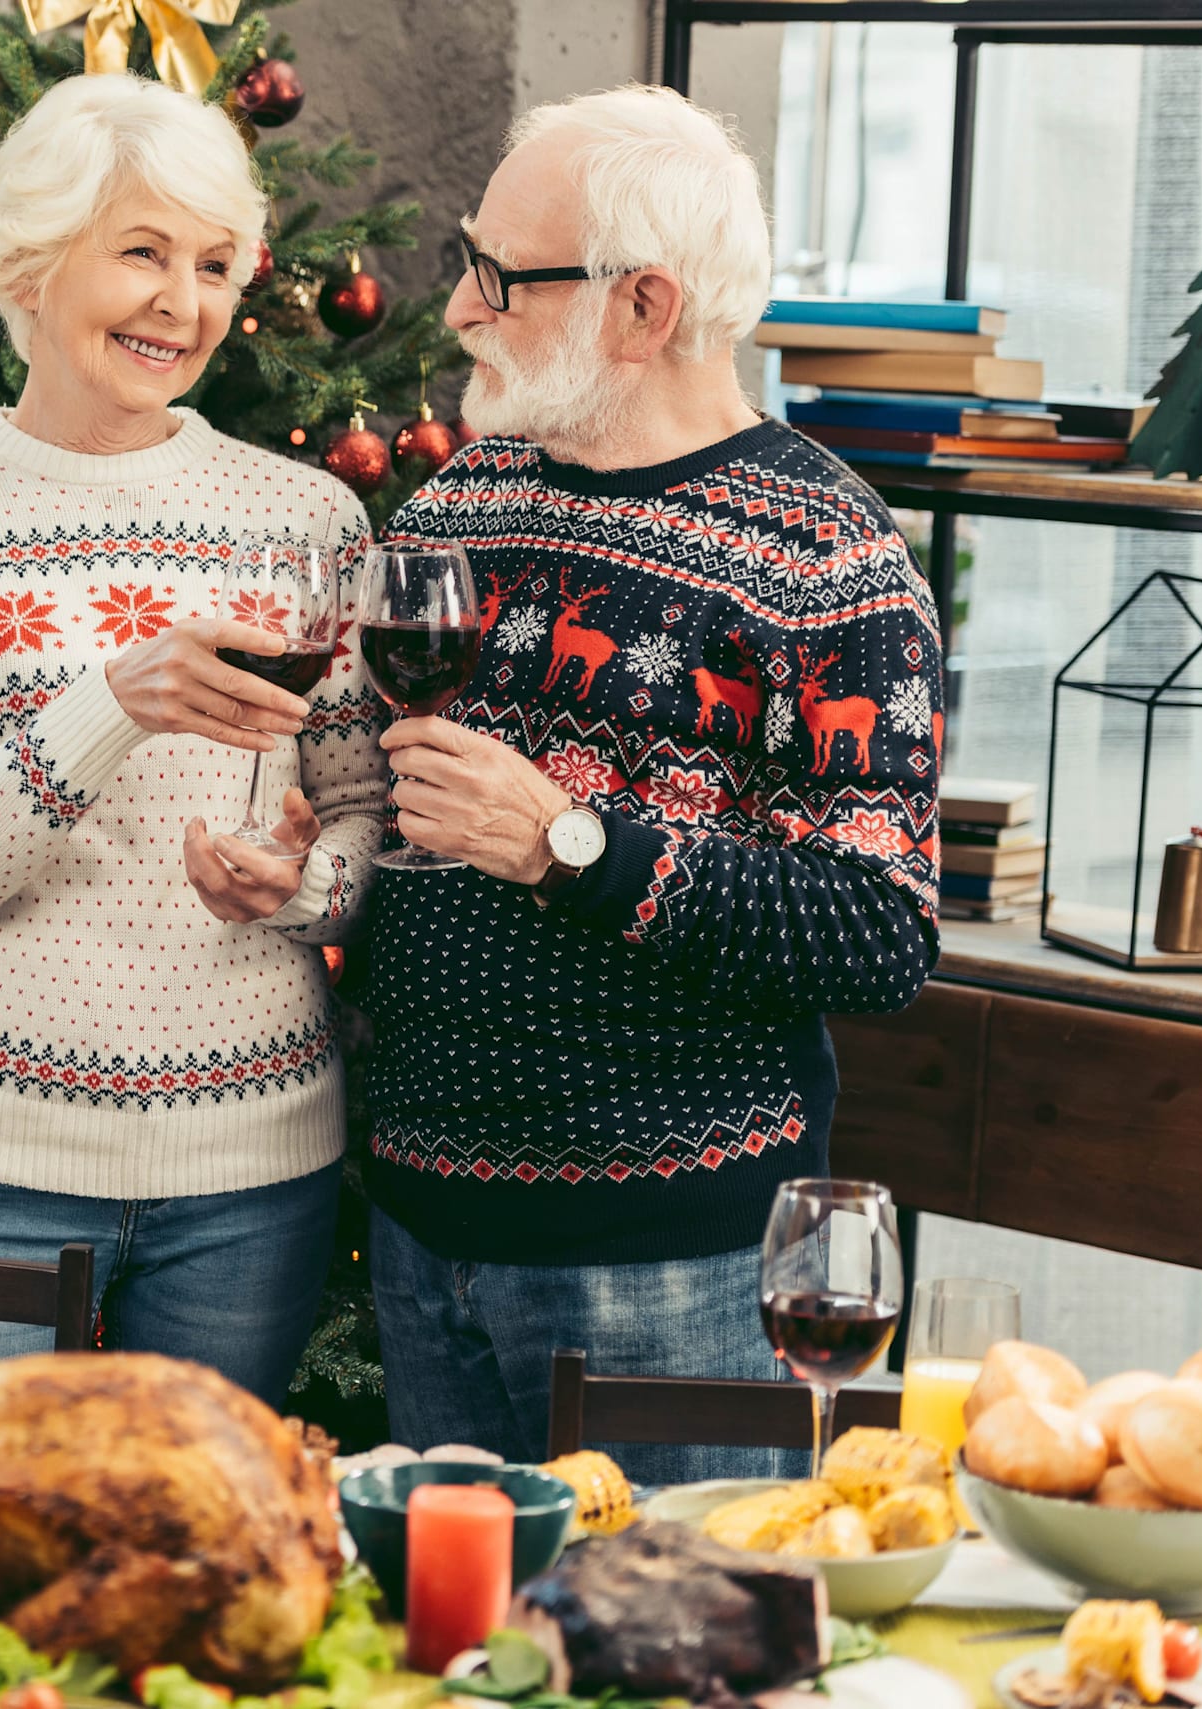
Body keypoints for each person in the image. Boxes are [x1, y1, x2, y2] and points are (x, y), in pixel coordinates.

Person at [363, 86, 943, 1481]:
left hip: (663, 1278)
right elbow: (373, 792)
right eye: (468, 261)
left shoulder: (830, 566)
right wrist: (299, 862)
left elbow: (879, 934)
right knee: (447, 1676)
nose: (458, 312)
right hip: (417, 1233)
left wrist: (570, 842)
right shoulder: (459, 503)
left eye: (502, 278)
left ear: (644, 307)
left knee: (674, 1673)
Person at [0, 73, 388, 1401]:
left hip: (254, 1175)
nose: (182, 305)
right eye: (141, 252)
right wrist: (106, 707)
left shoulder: (308, 521)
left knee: (193, 1574)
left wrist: (306, 884)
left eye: (212, 264)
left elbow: (371, 816)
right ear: (32, 258)